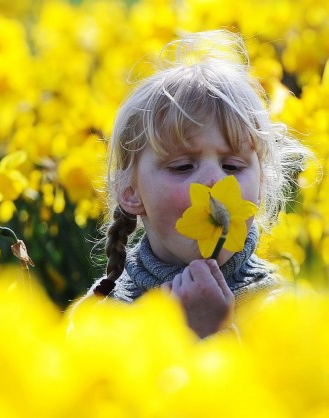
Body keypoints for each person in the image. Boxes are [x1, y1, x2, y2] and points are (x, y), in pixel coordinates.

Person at [81, 30, 311, 338]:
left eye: (232, 165)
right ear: (131, 191)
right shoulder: (104, 315)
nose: (214, 181)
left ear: (260, 182)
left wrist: (210, 334)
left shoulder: (277, 312)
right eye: (182, 166)